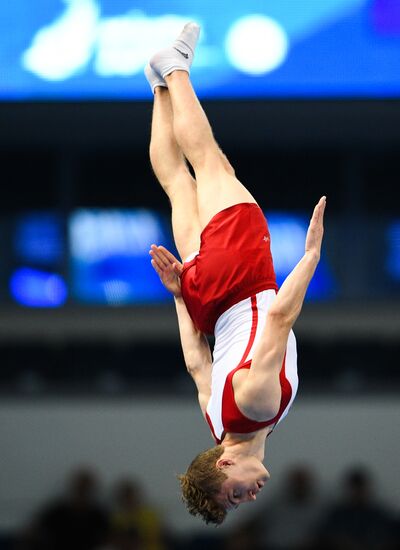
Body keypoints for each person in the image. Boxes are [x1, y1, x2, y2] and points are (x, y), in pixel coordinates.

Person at [145, 22, 326, 525]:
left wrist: (309, 258)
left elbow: (280, 319)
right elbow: (196, 365)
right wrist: (181, 297)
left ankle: (176, 67)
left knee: (210, 164)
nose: (249, 497)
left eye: (234, 494)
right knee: (178, 186)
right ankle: (159, 84)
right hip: (205, 300)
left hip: (241, 279)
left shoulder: (259, 405)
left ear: (224, 463)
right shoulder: (215, 424)